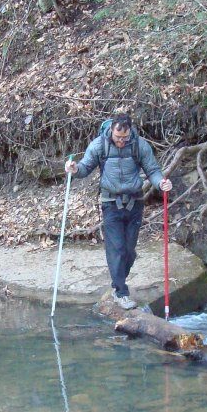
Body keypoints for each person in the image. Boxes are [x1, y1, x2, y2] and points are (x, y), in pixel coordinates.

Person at [65, 112, 173, 310]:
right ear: (112, 131)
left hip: (135, 202)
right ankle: (120, 292)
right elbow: (85, 167)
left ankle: (117, 284)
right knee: (117, 249)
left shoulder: (139, 145)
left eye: (124, 138)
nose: (121, 141)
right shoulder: (99, 145)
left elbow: (152, 170)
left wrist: (161, 183)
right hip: (110, 203)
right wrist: (74, 169)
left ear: (130, 131)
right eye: (117, 138)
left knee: (130, 252)